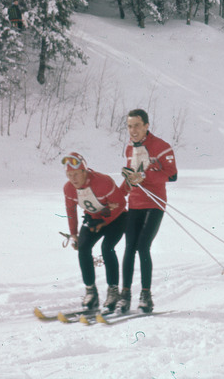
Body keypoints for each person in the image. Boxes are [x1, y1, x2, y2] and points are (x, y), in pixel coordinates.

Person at [118, 109, 177, 314]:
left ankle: (146, 296)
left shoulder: (161, 147)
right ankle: (124, 295)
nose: (132, 130)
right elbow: (130, 179)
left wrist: (145, 176)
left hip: (155, 203)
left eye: (136, 125)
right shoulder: (129, 149)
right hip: (135, 203)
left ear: (146, 126)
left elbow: (172, 175)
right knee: (129, 248)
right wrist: (117, 196)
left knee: (143, 246)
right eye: (129, 126)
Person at [61, 152, 127, 313]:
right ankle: (91, 291)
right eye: (69, 175)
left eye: (76, 174)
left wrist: (104, 221)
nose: (73, 179)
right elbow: (70, 211)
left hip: (117, 218)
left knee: (107, 248)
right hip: (93, 219)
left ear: (85, 171)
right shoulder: (69, 188)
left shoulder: (103, 181)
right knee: (83, 248)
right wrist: (74, 234)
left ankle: (113, 292)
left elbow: (120, 203)